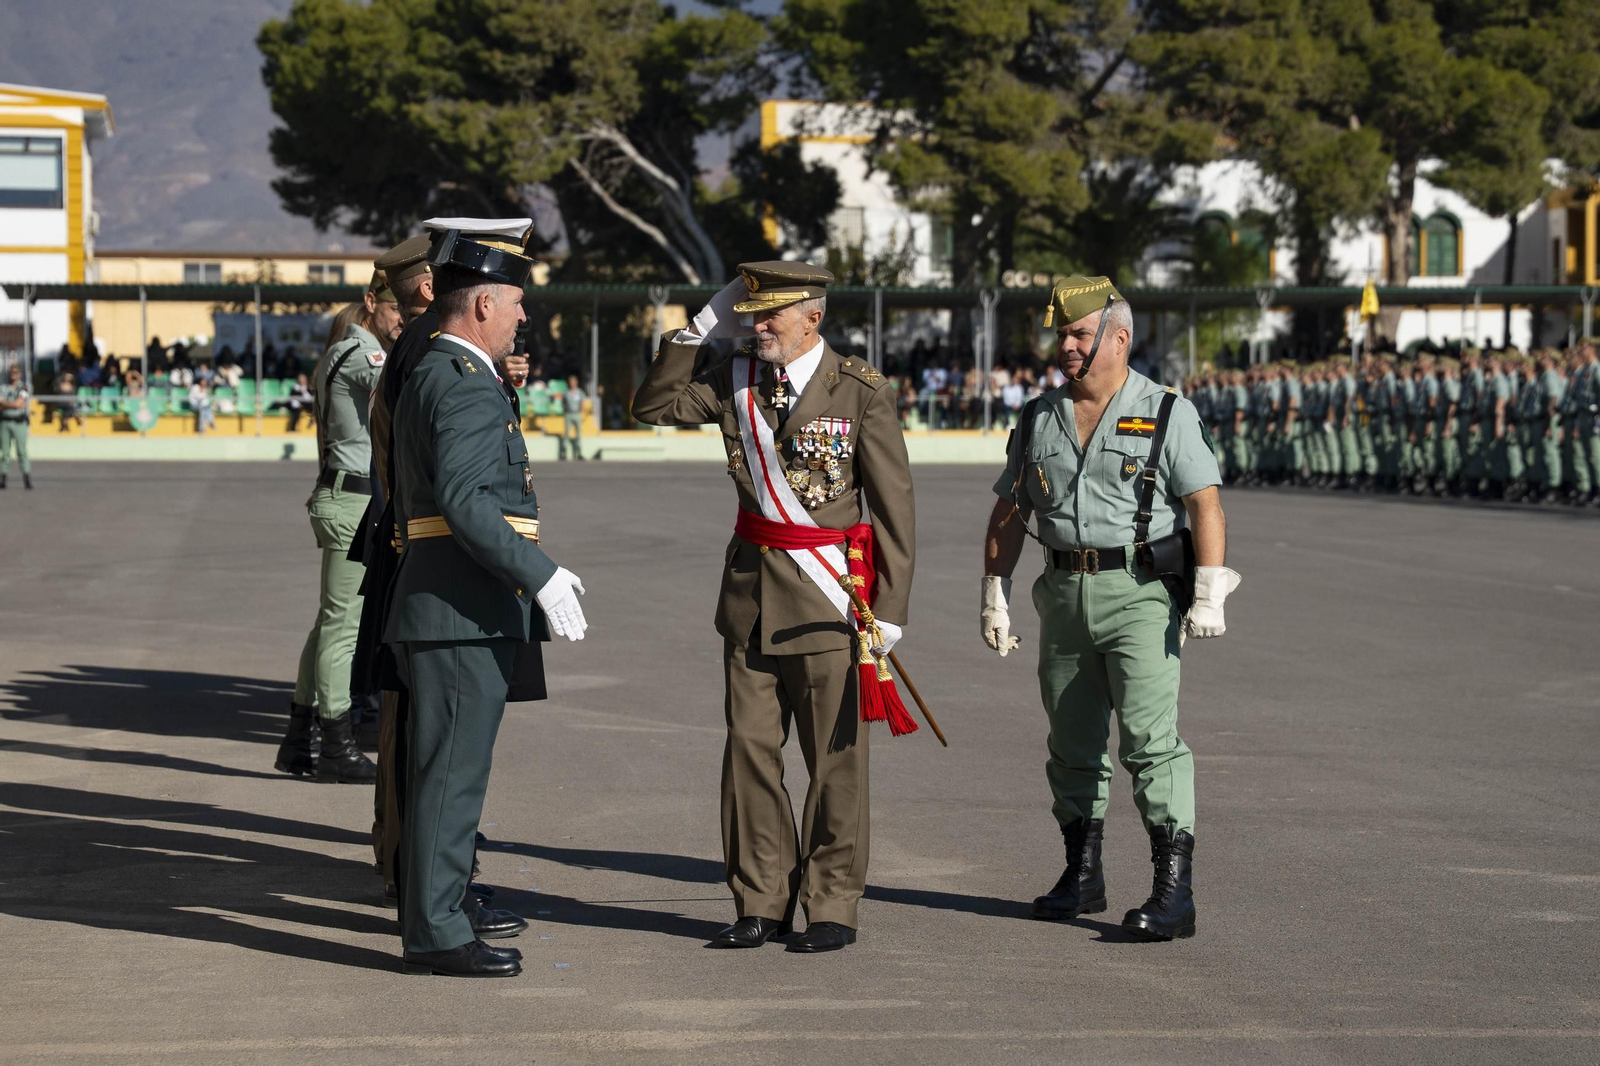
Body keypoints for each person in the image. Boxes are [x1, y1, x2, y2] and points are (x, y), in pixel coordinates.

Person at [633, 260, 917, 954]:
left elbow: (894, 508)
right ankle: (760, 899)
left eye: (772, 316)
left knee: (834, 762)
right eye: (751, 314)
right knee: (751, 756)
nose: (757, 327)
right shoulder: (732, 378)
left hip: (830, 602)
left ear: (812, 318)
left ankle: (831, 903)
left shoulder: (859, 392)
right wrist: (700, 326)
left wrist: (890, 610)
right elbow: (651, 408)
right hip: (750, 601)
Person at [978, 275, 1238, 941]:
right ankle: (1082, 873)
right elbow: (1012, 507)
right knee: (1071, 744)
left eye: (1078, 335)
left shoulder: (1167, 411)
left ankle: (1172, 892)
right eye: (1060, 335)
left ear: (1118, 340)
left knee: (1151, 744)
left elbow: (1203, 502)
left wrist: (1208, 590)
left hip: (1140, 595)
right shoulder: (1039, 417)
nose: (1064, 346)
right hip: (1062, 594)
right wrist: (994, 592)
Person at [385, 218, 589, 978]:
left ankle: (432, 917)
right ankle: (437, 930)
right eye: (514, 302)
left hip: (446, 603)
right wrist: (539, 573)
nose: (522, 316)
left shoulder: (442, 373)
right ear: (479, 308)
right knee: (450, 776)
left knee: (442, 771)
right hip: (461, 608)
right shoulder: (464, 383)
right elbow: (470, 504)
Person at [273, 273, 399, 784]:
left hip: (344, 494)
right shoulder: (364, 356)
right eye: (396, 308)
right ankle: (336, 743)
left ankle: (298, 736)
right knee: (342, 629)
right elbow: (411, 392)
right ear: (371, 305)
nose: (400, 318)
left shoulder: (344, 353)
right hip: (352, 500)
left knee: (329, 623)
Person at [1, 363, 32, 490]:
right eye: (12, 373)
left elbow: (20, 403)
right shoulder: (3, 387)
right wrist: (13, 404)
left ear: (20, 374)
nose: (13, 375)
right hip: (5, 422)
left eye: (16, 373)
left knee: (22, 452)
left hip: (19, 422)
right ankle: (3, 479)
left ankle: (26, 479)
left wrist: (5, 403)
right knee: (5, 452)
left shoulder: (24, 387)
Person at [559, 374, 585, 460]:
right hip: (568, 414)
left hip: (576, 414)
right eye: (571, 382)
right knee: (566, 434)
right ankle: (564, 453)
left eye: (573, 382)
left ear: (576, 382)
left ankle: (579, 453)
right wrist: (565, 410)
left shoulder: (580, 392)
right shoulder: (566, 392)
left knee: (578, 434)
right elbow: (563, 403)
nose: (572, 384)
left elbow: (582, 403)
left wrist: (581, 412)